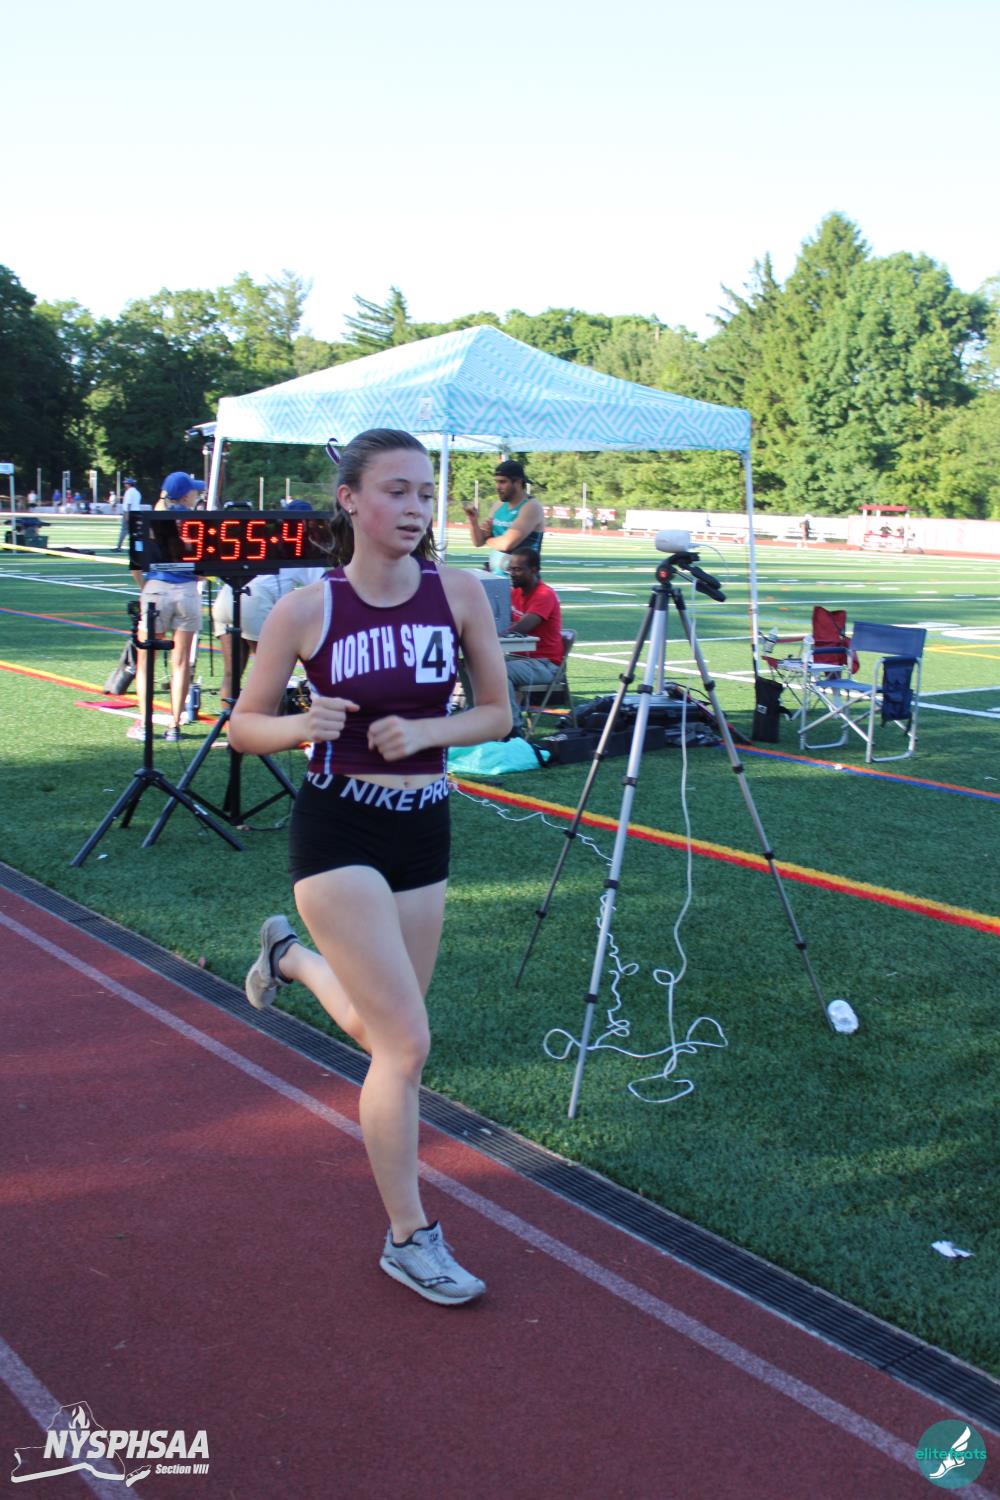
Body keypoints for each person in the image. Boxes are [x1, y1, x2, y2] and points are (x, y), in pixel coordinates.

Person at [229, 429, 510, 1305]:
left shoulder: (458, 592)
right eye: (397, 491)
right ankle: (410, 1237)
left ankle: (290, 959)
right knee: (407, 1044)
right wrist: (298, 726)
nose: (417, 508)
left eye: (426, 493)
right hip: (338, 830)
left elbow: (498, 715)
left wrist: (426, 731)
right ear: (349, 499)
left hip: (424, 829)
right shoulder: (306, 608)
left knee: (386, 1033)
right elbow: (243, 726)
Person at [210, 501, 326, 702]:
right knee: (271, 674)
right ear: (307, 523)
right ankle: (268, 720)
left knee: (231, 675)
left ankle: (230, 721)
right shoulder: (301, 547)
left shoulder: (266, 541)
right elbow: (323, 589)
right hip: (253, 600)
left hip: (226, 597)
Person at [127, 471, 205, 743]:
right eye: (194, 491)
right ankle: (174, 725)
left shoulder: (151, 520)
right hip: (187, 593)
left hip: (157, 589)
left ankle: (146, 723)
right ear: (185, 495)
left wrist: (146, 588)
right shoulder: (197, 523)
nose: (197, 494)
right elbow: (204, 570)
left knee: (145, 660)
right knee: (180, 662)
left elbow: (136, 565)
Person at [503, 546, 564, 735]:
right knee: (475, 666)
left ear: (534, 570)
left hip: (546, 664)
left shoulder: (544, 594)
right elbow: (500, 619)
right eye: (510, 569)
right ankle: (481, 719)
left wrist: (491, 632)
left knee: (497, 671)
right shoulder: (515, 593)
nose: (512, 574)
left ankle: (513, 729)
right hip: (521, 659)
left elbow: (523, 627)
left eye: (517, 569)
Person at [462, 459, 545, 570]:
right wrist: (473, 522)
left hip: (522, 578)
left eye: (502, 482)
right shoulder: (498, 505)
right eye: (496, 482)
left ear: (518, 482)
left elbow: (506, 544)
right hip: (496, 576)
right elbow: (478, 542)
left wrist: (488, 539)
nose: (497, 487)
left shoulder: (531, 507)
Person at [116, 478, 144, 550]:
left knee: (124, 530)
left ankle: (119, 547)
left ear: (129, 484)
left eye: (126, 483)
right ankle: (139, 548)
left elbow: (129, 503)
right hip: (137, 512)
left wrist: (127, 514)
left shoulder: (129, 492)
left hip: (129, 512)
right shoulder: (137, 492)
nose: (125, 485)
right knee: (137, 531)